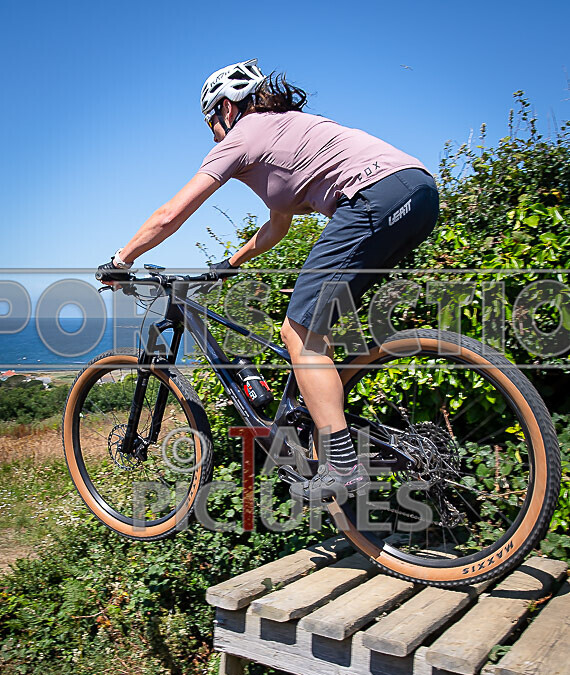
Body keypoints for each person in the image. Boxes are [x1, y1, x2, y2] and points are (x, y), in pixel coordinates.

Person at [97, 58, 439, 502]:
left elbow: (170, 214)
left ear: (225, 108)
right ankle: (338, 426)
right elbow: (278, 226)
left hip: (375, 197)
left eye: (210, 124)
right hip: (418, 194)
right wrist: (230, 263)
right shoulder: (286, 131)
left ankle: (341, 465)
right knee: (317, 329)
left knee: (298, 333)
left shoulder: (243, 135)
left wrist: (120, 259)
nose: (214, 136)